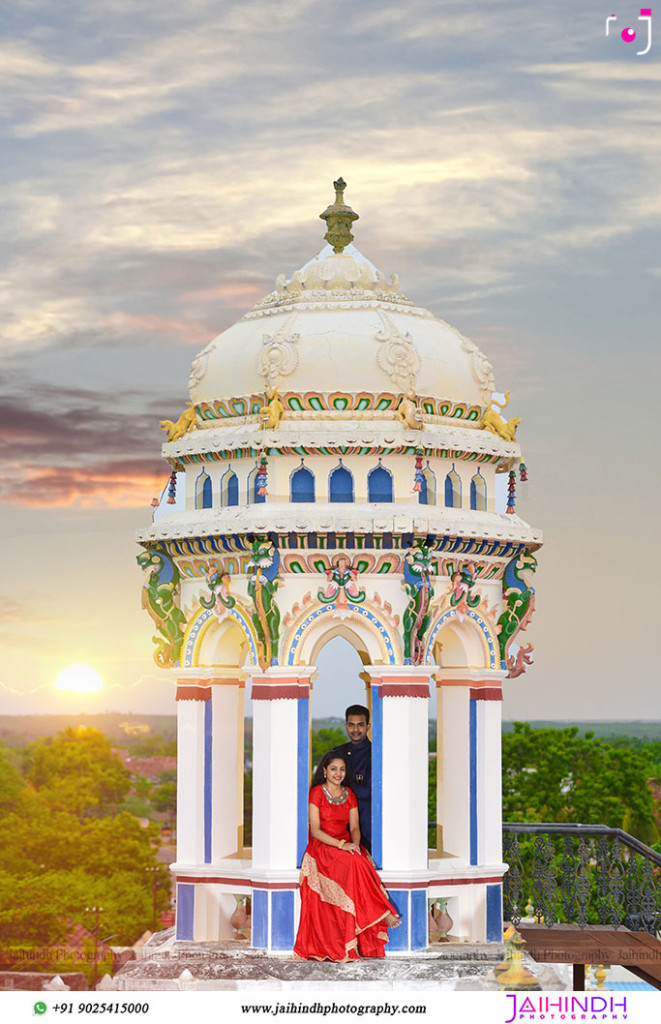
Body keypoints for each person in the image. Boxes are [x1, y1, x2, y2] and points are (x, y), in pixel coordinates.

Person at [293, 748, 400, 961]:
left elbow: (355, 828)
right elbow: (315, 831)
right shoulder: (316, 793)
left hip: (346, 845)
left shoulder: (349, 794)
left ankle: (380, 912)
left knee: (358, 858)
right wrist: (343, 846)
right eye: (333, 769)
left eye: (342, 769)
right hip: (322, 847)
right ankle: (382, 910)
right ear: (324, 770)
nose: (338, 773)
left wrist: (356, 846)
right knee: (353, 860)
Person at [337, 704, 372, 852]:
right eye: (351, 725)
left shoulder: (374, 754)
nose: (355, 730)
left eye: (360, 725)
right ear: (346, 726)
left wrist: (341, 787)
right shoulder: (338, 753)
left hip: (365, 822)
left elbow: (367, 791)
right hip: (339, 822)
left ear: (368, 726)